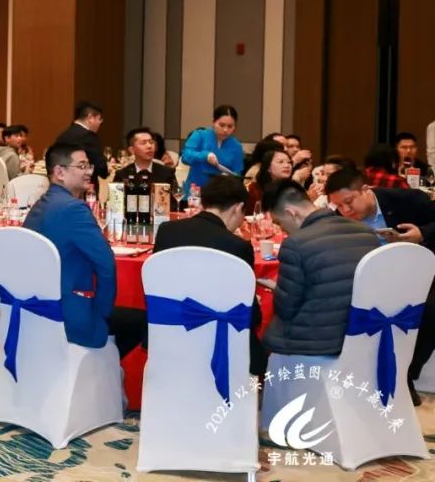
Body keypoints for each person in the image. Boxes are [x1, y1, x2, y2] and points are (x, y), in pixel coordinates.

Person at [23, 143, 145, 357]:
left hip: (35, 309)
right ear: (59, 172)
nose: (89, 172)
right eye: (81, 166)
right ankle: (104, 368)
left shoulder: (41, 204)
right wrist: (102, 313)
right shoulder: (74, 209)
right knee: (144, 321)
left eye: (89, 166)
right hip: (69, 315)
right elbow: (106, 265)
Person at [326, 166, 435, 403]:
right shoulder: (338, 218)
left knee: (429, 311)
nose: (345, 210)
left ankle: (405, 374)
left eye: (349, 202)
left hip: (417, 271)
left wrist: (422, 234)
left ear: (366, 189)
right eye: (339, 205)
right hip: (368, 277)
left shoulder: (407, 200)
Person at [154, 175, 266, 375]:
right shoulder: (237, 246)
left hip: (169, 337)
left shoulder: (167, 231)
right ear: (238, 208)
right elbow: (251, 317)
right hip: (219, 344)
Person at [260, 180, 379, 360]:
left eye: (280, 223)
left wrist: (277, 289)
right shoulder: (366, 232)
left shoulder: (295, 244)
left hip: (316, 342)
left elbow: (285, 308)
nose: (282, 230)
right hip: (361, 334)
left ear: (291, 213)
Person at [180, 105, 244, 197]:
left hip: (221, 195)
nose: (225, 130)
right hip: (195, 193)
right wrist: (205, 156)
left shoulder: (236, 146)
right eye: (221, 125)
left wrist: (229, 178)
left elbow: (237, 173)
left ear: (235, 127)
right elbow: (185, 156)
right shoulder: (200, 135)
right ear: (213, 122)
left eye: (230, 126)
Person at [53, 101, 107, 182]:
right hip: (83, 185)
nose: (100, 123)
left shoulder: (63, 135)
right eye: (99, 119)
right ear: (90, 118)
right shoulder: (89, 137)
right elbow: (102, 170)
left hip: (61, 183)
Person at [113, 127, 177, 190]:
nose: (149, 146)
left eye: (151, 142)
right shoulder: (122, 174)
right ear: (132, 150)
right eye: (143, 143)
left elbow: (175, 195)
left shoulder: (167, 173)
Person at [245, 149, 293, 215]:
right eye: (281, 162)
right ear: (268, 167)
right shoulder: (252, 189)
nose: (287, 166)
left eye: (289, 162)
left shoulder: (293, 189)